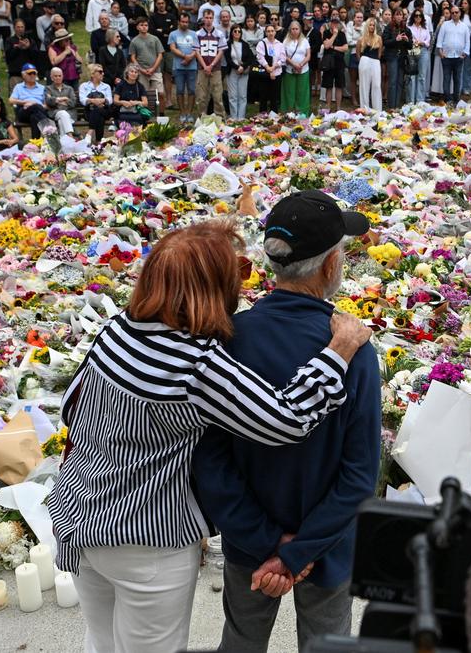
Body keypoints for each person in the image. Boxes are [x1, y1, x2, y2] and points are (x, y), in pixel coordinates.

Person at [47, 218, 371, 653]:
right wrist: (342, 349)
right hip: (145, 535)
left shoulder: (116, 331)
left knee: (103, 641)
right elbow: (288, 420)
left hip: (79, 516)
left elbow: (73, 407)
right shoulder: (197, 363)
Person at [195, 189, 379, 651]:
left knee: (240, 640)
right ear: (331, 265)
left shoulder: (229, 338)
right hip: (327, 546)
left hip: (247, 541)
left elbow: (210, 461)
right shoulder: (351, 348)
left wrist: (267, 544)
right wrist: (297, 553)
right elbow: (359, 476)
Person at [193, 10, 226, 117]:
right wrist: (205, 66)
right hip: (202, 69)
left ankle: (220, 120)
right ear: (203, 18)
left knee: (217, 97)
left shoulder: (219, 34)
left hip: (215, 69)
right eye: (206, 17)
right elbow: (197, 52)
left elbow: (221, 51)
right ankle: (201, 120)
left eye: (210, 18)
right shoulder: (197, 34)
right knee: (201, 97)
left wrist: (211, 66)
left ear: (213, 18)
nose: (208, 20)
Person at [130, 17, 165, 113]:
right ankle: (146, 114)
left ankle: (161, 115)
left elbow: (160, 55)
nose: (144, 27)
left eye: (146, 25)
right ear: (137, 27)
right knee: (144, 94)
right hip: (142, 72)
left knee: (160, 93)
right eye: (141, 25)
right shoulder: (134, 41)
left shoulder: (155, 39)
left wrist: (153, 68)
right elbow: (133, 57)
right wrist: (141, 69)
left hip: (155, 70)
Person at [168, 13, 198, 122]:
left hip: (192, 67)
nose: (185, 24)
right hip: (178, 66)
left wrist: (190, 58)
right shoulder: (173, 34)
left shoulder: (194, 34)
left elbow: (197, 49)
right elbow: (172, 48)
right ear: (179, 22)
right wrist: (185, 56)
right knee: (179, 90)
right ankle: (182, 113)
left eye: (186, 22)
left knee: (192, 90)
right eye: (183, 22)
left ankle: (189, 113)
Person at [10, 62, 51, 135]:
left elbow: (46, 105)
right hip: (24, 111)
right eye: (29, 73)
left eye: (34, 73)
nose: (32, 75)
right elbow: (11, 100)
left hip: (38, 112)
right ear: (23, 75)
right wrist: (25, 102)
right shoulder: (18, 87)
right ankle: (48, 126)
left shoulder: (42, 88)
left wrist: (34, 104)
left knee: (34, 116)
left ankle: (35, 143)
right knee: (34, 107)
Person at [225, 24, 255, 119]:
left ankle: (241, 117)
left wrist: (243, 66)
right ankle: (234, 118)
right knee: (233, 96)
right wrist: (237, 67)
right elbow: (228, 59)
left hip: (243, 73)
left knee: (242, 96)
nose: (237, 33)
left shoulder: (245, 44)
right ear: (231, 32)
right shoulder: (228, 44)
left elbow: (251, 58)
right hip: (232, 72)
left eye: (239, 31)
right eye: (235, 31)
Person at [281, 20, 310, 115]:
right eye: (292, 29)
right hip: (290, 70)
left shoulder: (305, 41)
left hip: (303, 69)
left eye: (296, 29)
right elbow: (284, 55)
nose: (294, 31)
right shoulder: (286, 41)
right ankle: (289, 112)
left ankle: (302, 112)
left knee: (302, 92)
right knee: (289, 91)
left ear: (300, 30)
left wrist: (300, 65)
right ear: (290, 30)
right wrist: (294, 64)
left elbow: (308, 55)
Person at [80, 64, 115, 142]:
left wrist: (101, 101)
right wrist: (94, 101)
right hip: (90, 111)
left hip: (105, 110)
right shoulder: (84, 86)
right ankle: (99, 141)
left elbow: (110, 100)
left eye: (103, 72)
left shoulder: (106, 86)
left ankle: (90, 132)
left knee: (99, 110)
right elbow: (82, 100)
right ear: (92, 74)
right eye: (100, 72)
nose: (103, 73)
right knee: (99, 115)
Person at [320, 17, 348, 112]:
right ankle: (328, 106)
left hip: (339, 62)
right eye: (333, 23)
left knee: (339, 86)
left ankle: (338, 107)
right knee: (328, 85)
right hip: (328, 63)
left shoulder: (342, 34)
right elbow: (326, 45)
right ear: (330, 23)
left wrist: (334, 47)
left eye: (337, 23)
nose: (335, 25)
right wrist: (334, 35)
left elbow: (345, 48)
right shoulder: (326, 33)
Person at [354, 18, 382, 111]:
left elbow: (379, 53)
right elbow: (357, 53)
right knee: (364, 86)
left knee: (377, 85)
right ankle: (364, 109)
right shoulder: (361, 39)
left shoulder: (378, 38)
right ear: (367, 26)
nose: (372, 27)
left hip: (375, 62)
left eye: (373, 25)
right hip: (364, 61)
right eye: (370, 25)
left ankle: (377, 110)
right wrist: (362, 61)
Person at [44, 65, 77, 136]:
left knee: (62, 119)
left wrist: (56, 100)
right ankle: (70, 136)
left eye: (59, 76)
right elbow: (49, 101)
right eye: (55, 76)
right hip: (55, 113)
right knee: (63, 114)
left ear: (62, 76)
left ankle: (64, 142)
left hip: (70, 113)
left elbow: (73, 103)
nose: (58, 78)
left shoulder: (69, 88)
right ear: (51, 77)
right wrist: (64, 99)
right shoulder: (48, 89)